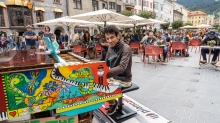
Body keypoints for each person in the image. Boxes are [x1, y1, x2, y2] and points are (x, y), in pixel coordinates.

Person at [104, 25, 132, 115]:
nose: (110, 41)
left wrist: (105, 74)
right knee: (95, 84)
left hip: (124, 79)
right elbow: (106, 63)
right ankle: (113, 101)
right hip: (113, 77)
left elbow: (122, 67)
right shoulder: (110, 47)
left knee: (102, 87)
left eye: (112, 37)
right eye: (107, 38)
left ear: (118, 36)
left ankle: (113, 102)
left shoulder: (126, 48)